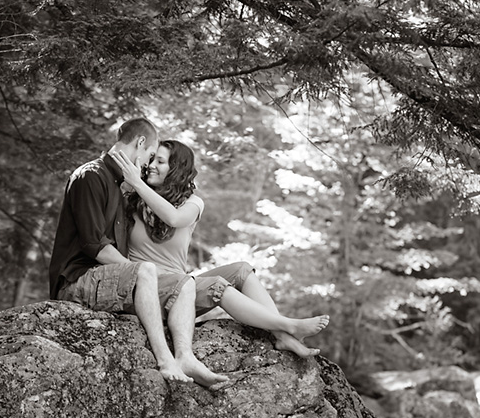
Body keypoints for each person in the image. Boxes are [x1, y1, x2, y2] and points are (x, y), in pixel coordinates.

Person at [49, 119, 228, 389]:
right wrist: (141, 273)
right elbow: (94, 245)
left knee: (185, 282)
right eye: (150, 156)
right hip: (77, 279)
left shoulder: (121, 186)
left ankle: (185, 356)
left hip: (108, 280)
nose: (148, 164)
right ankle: (164, 359)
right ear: (140, 143)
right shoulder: (91, 176)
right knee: (145, 269)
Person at [112, 139, 329, 358]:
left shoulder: (192, 203)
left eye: (160, 161)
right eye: (151, 160)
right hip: (150, 292)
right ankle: (288, 325)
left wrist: (138, 185)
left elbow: (173, 218)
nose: (151, 166)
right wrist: (136, 185)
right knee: (216, 285)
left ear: (175, 169)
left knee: (242, 269)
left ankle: (282, 336)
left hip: (182, 292)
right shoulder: (132, 201)